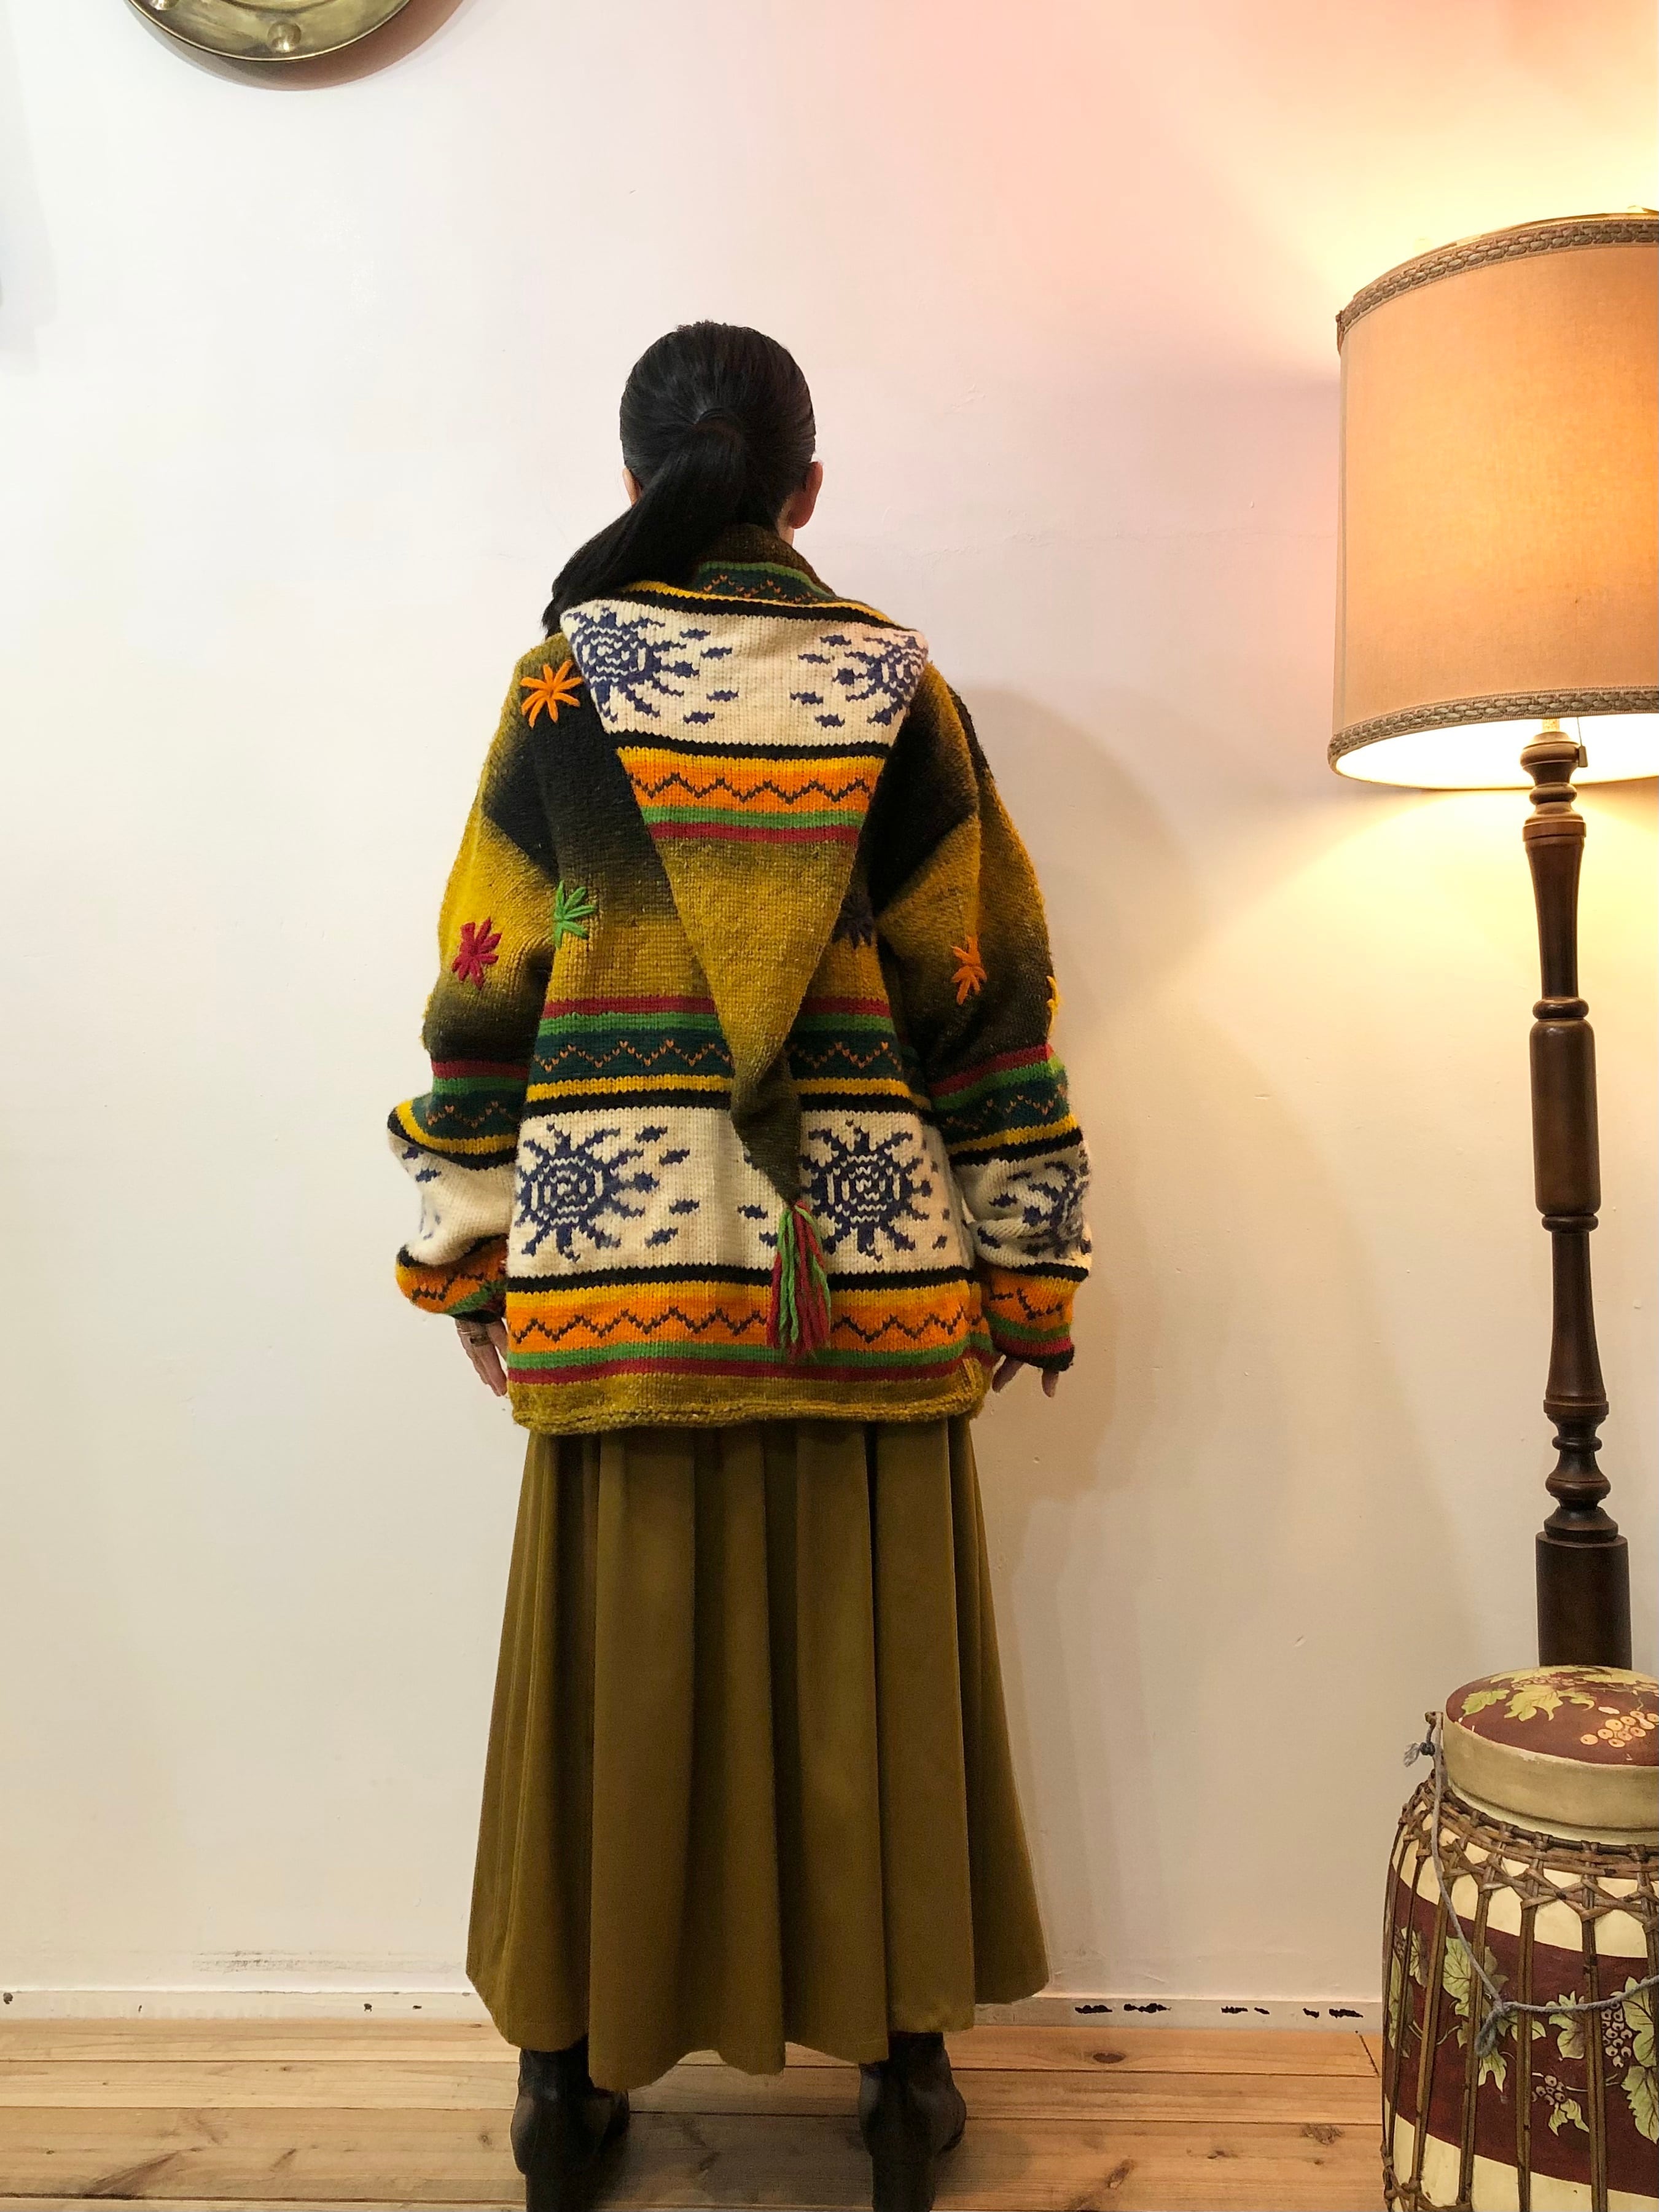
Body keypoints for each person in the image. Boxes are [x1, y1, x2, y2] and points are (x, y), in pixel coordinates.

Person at [388, 321, 1091, 2212]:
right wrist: (1028, 1267)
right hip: (862, 1280)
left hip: (618, 1267)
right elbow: (989, 993)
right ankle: (906, 2090)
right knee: (873, 1688)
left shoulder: (560, 687)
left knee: (610, 1697)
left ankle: (564, 2092)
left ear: (636, 483)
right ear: (807, 491)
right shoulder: (901, 685)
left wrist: (465, 1251)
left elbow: (483, 986)